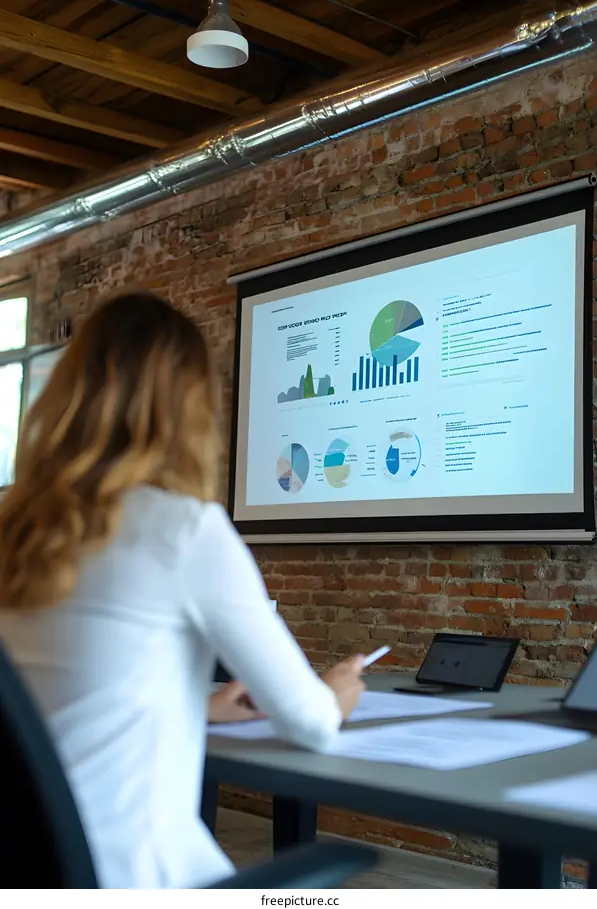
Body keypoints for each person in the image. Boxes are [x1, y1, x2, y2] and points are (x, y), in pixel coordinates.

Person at [0, 291, 365, 890]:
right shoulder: (183, 529)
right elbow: (311, 724)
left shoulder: (16, 532)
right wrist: (337, 692)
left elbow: (46, 712)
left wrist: (199, 709)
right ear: (190, 410)